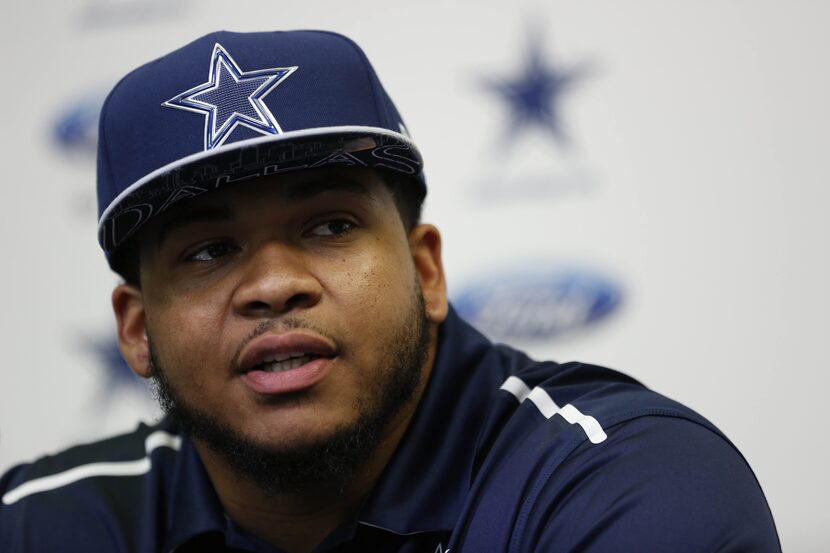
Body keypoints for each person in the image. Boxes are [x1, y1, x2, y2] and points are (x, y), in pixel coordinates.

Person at [0, 30, 781, 553]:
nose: (274, 284)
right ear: (137, 330)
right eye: (210, 249)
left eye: (330, 225)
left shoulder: (622, 488)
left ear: (427, 270)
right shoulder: (46, 522)